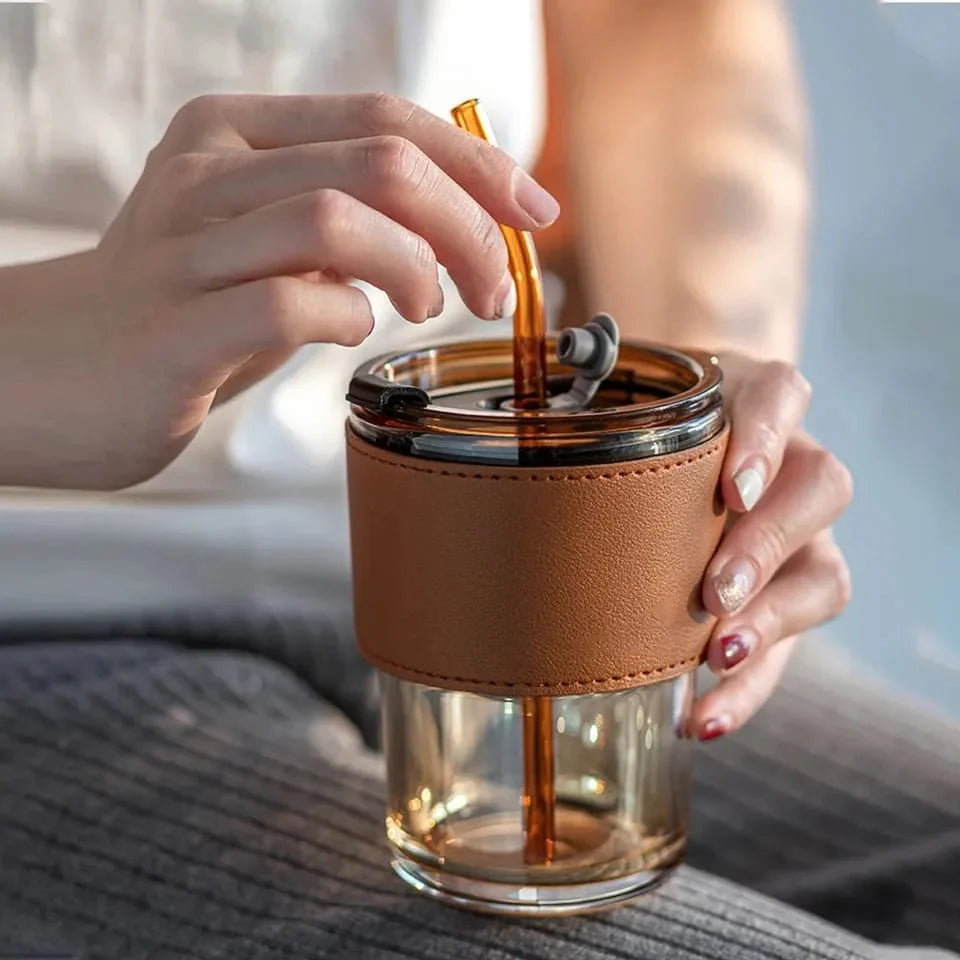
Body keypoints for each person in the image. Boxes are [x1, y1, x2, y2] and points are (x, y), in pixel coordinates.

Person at [0, 2, 955, 958]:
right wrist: (46, 355)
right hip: (48, 590)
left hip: (514, 560)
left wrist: (686, 428)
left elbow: (656, 25)